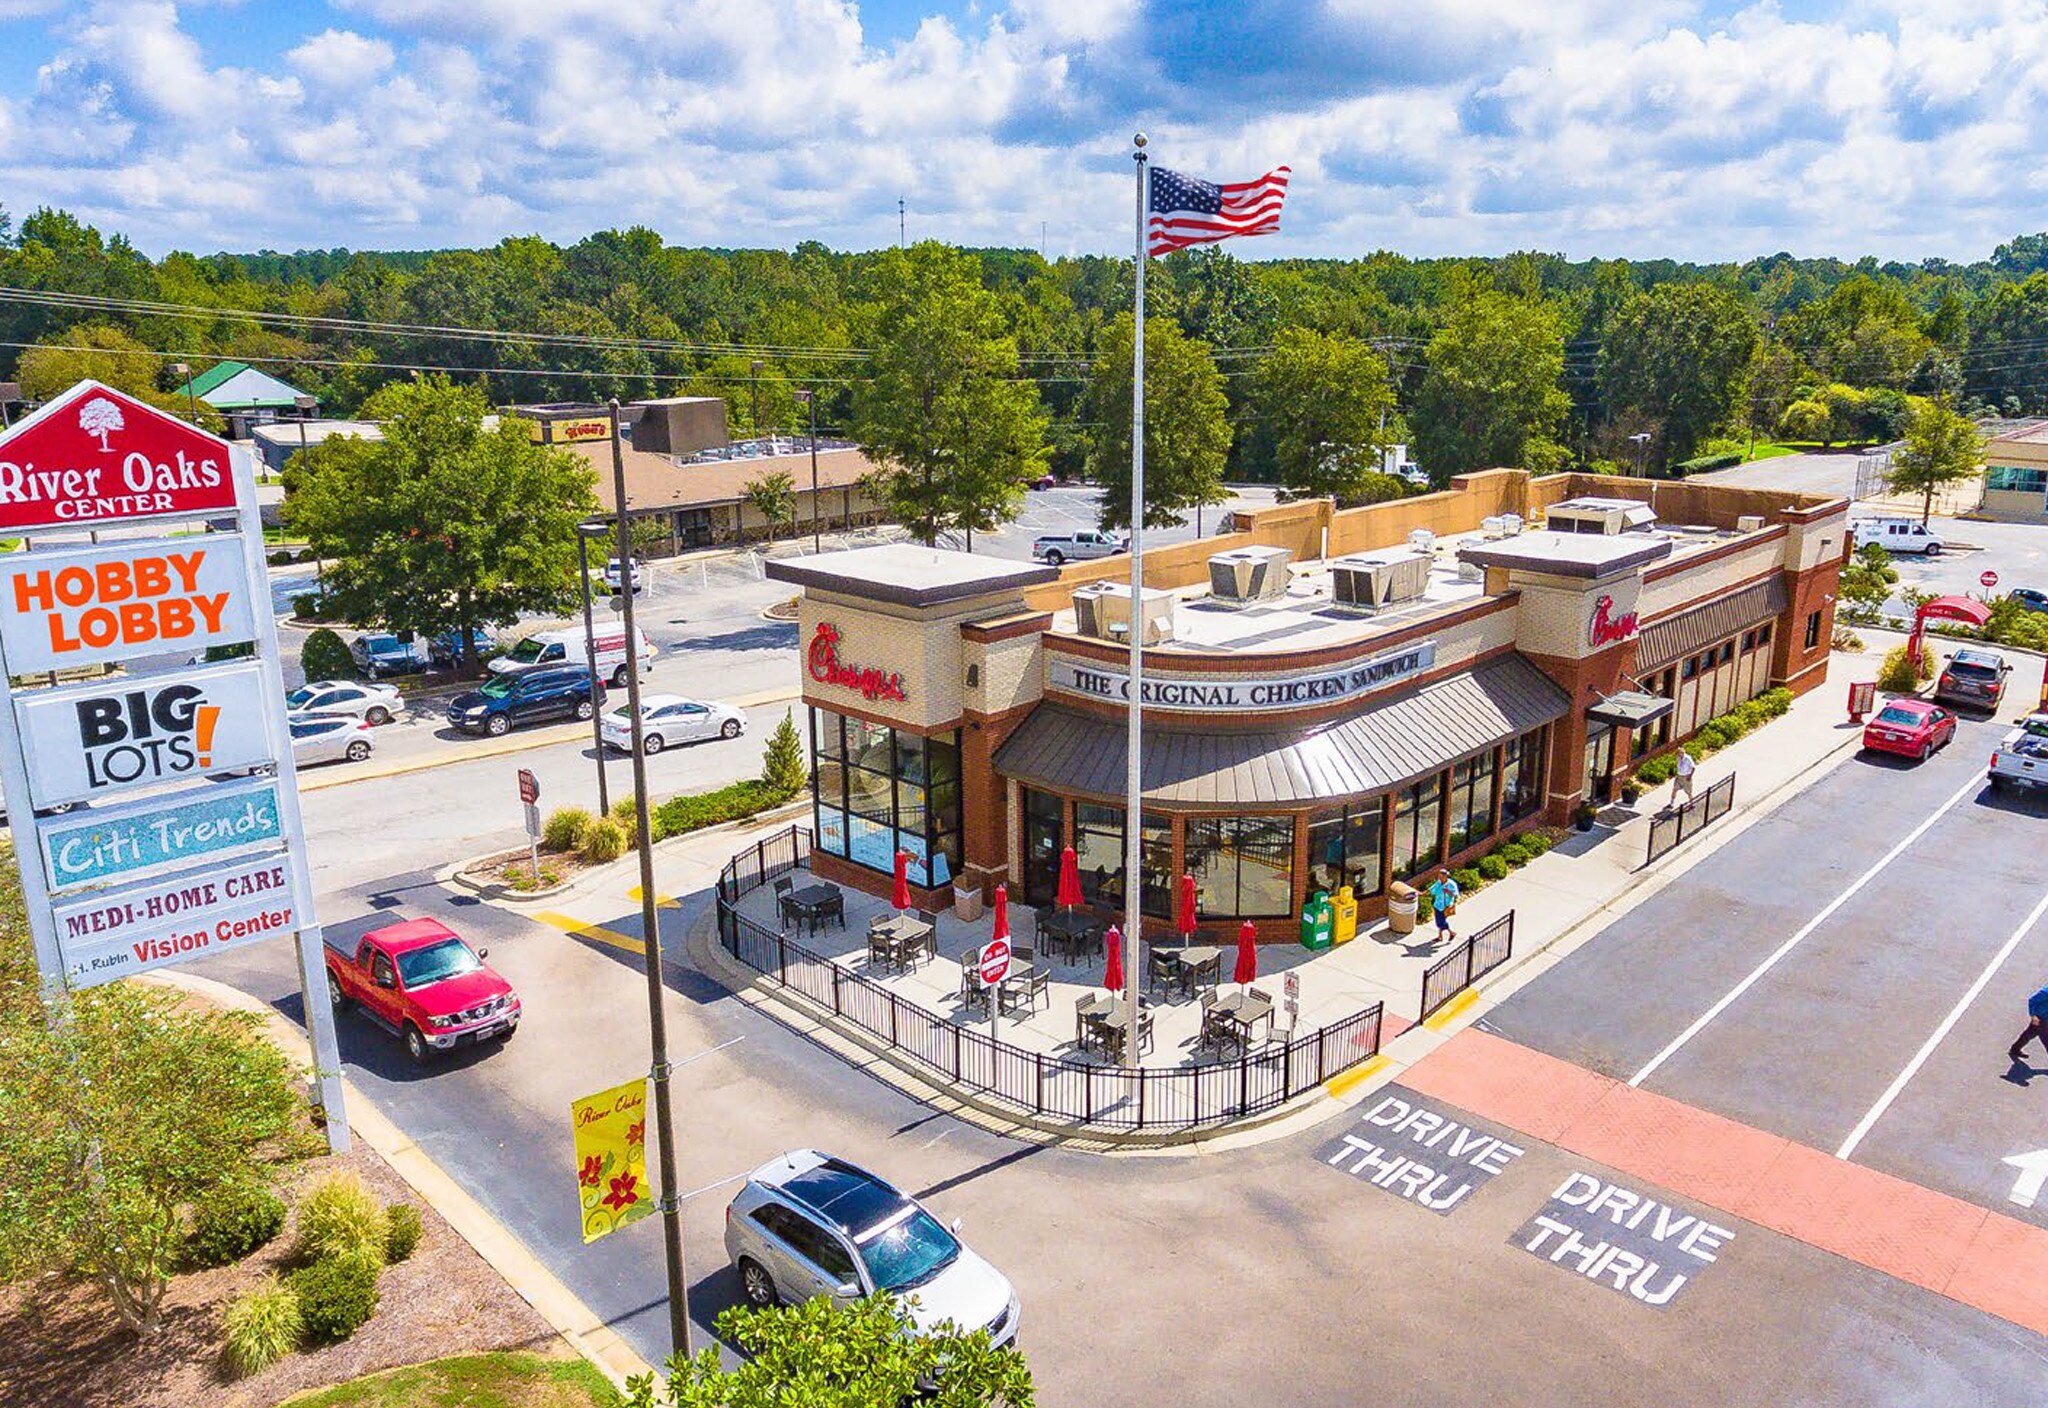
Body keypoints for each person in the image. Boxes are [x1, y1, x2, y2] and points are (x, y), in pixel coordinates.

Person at [2008, 980, 2048, 1064]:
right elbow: (2032, 1001)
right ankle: (2015, 1049)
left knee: (2029, 1034)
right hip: (2041, 1020)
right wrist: (2033, 1015)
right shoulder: (2046, 992)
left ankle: (2015, 1049)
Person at [1426, 867, 1460, 946]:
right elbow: (1432, 888)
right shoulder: (1439, 882)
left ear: (1446, 876)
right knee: (1439, 920)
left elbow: (1455, 895)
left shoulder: (1451, 884)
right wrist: (1424, 892)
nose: (1439, 878)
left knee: (1441, 922)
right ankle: (1440, 936)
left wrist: (1447, 891)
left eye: (1441, 877)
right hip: (1437, 904)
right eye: (1439, 876)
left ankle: (1451, 933)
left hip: (1445, 906)